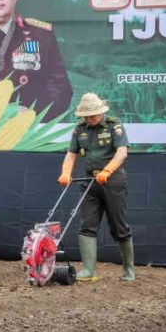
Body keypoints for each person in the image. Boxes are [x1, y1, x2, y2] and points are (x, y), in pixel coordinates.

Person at [57, 93, 134, 281]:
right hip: (89, 181)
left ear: (101, 112)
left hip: (112, 180)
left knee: (119, 226)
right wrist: (66, 172)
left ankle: (128, 270)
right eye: (86, 116)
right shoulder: (79, 129)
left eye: (93, 116)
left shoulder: (114, 126)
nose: (89, 119)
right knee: (87, 225)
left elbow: (122, 153)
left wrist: (107, 171)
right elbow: (71, 154)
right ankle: (88, 271)